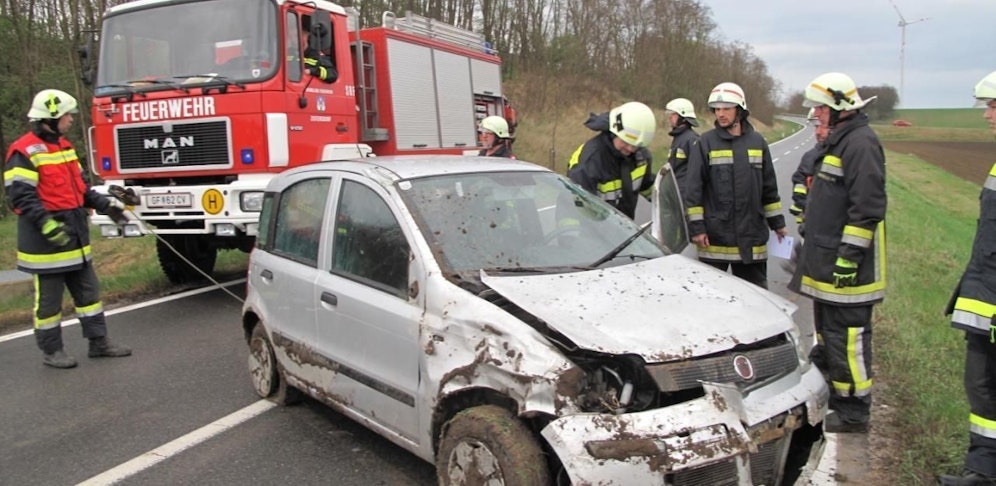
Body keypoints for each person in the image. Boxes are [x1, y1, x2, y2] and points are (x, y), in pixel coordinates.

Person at [4, 89, 133, 369]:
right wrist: (47, 225)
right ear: (51, 118)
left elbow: (80, 190)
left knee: (89, 296)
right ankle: (52, 351)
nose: (71, 120)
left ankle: (99, 343)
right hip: (46, 245)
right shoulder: (23, 151)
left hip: (75, 239)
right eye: (67, 115)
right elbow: (20, 196)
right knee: (49, 305)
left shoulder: (64, 147)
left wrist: (108, 207)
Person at [788, 72, 886, 434]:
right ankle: (835, 395)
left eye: (819, 109)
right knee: (830, 336)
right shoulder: (839, 142)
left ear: (838, 108)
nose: (815, 115)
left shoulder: (860, 144)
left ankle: (855, 411)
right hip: (828, 263)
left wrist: (849, 256)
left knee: (850, 340)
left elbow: (868, 208)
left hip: (847, 270)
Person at [937, 70, 996, 486]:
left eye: (993, 105)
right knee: (981, 386)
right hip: (984, 297)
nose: (987, 114)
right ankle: (983, 469)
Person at [683, 82, 787, 289]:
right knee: (713, 301)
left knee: (756, 300)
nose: (720, 114)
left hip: (752, 239)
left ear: (739, 110)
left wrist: (778, 224)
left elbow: (769, 190)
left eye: (726, 109)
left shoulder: (758, 143)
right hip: (714, 240)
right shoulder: (705, 143)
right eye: (717, 109)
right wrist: (697, 229)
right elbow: (693, 191)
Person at [567, 101, 657, 220]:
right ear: (614, 132)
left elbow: (646, 187)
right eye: (626, 142)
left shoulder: (641, 157)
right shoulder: (590, 162)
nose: (630, 149)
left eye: (635, 145)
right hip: (592, 229)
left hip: (624, 229)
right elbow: (578, 211)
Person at [663, 97, 700, 191]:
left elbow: (697, 170)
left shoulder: (691, 139)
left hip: (684, 194)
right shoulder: (679, 138)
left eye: (674, 114)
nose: (670, 117)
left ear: (683, 117)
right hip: (675, 192)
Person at [301, 15, 338, 83]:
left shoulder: (316, 56)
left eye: (298, 34)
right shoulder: (286, 55)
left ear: (307, 35)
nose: (293, 38)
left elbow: (332, 74)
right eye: (290, 35)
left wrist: (311, 71)